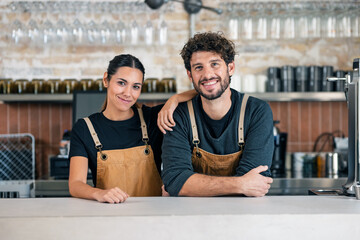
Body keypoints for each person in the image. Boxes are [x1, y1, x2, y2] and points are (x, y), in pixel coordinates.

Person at [68, 54, 196, 203]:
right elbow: (75, 184)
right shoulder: (85, 128)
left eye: (135, 87)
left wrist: (175, 99)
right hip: (110, 215)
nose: (128, 93)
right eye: (121, 83)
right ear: (105, 80)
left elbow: (203, 91)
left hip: (153, 215)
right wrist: (99, 194)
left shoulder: (153, 119)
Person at [161, 32, 274, 197]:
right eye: (199, 67)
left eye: (214, 64)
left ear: (230, 68)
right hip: (190, 217)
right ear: (190, 74)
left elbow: (256, 181)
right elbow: (175, 180)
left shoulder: (256, 111)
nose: (207, 75)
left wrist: (192, 186)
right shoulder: (179, 115)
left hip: (244, 215)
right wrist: (241, 184)